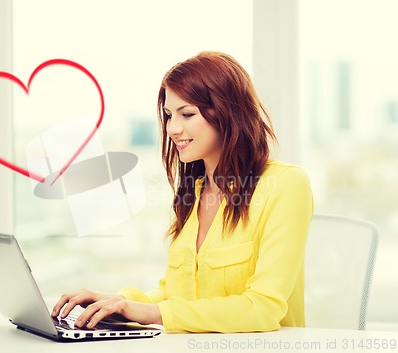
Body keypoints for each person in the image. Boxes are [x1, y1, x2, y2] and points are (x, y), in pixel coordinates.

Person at [51, 51, 314, 333]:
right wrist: (118, 303)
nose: (173, 128)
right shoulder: (194, 193)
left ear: (228, 113)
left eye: (187, 114)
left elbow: (263, 308)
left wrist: (148, 312)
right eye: (168, 115)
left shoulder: (286, 184)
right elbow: (175, 297)